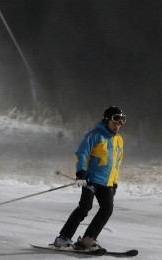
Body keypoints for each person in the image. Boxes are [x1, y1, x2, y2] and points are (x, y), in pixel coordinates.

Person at [53, 106, 126, 251]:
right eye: (114, 122)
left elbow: (117, 163)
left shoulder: (119, 140)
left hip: (107, 183)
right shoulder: (95, 135)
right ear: (106, 121)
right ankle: (63, 238)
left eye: (120, 124)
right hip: (91, 180)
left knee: (107, 209)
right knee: (85, 207)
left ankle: (88, 239)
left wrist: (115, 183)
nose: (117, 126)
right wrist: (81, 172)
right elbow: (82, 153)